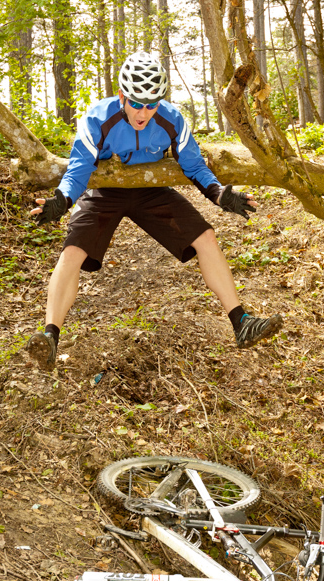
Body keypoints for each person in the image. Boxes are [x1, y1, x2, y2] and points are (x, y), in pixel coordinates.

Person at [28, 51, 282, 371]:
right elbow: (79, 168)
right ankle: (49, 337)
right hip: (105, 191)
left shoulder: (171, 119)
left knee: (205, 236)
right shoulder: (98, 118)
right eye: (136, 103)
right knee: (73, 251)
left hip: (151, 191)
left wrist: (219, 194)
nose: (143, 112)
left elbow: (193, 165)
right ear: (122, 96)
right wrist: (61, 201)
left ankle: (241, 322)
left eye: (151, 104)